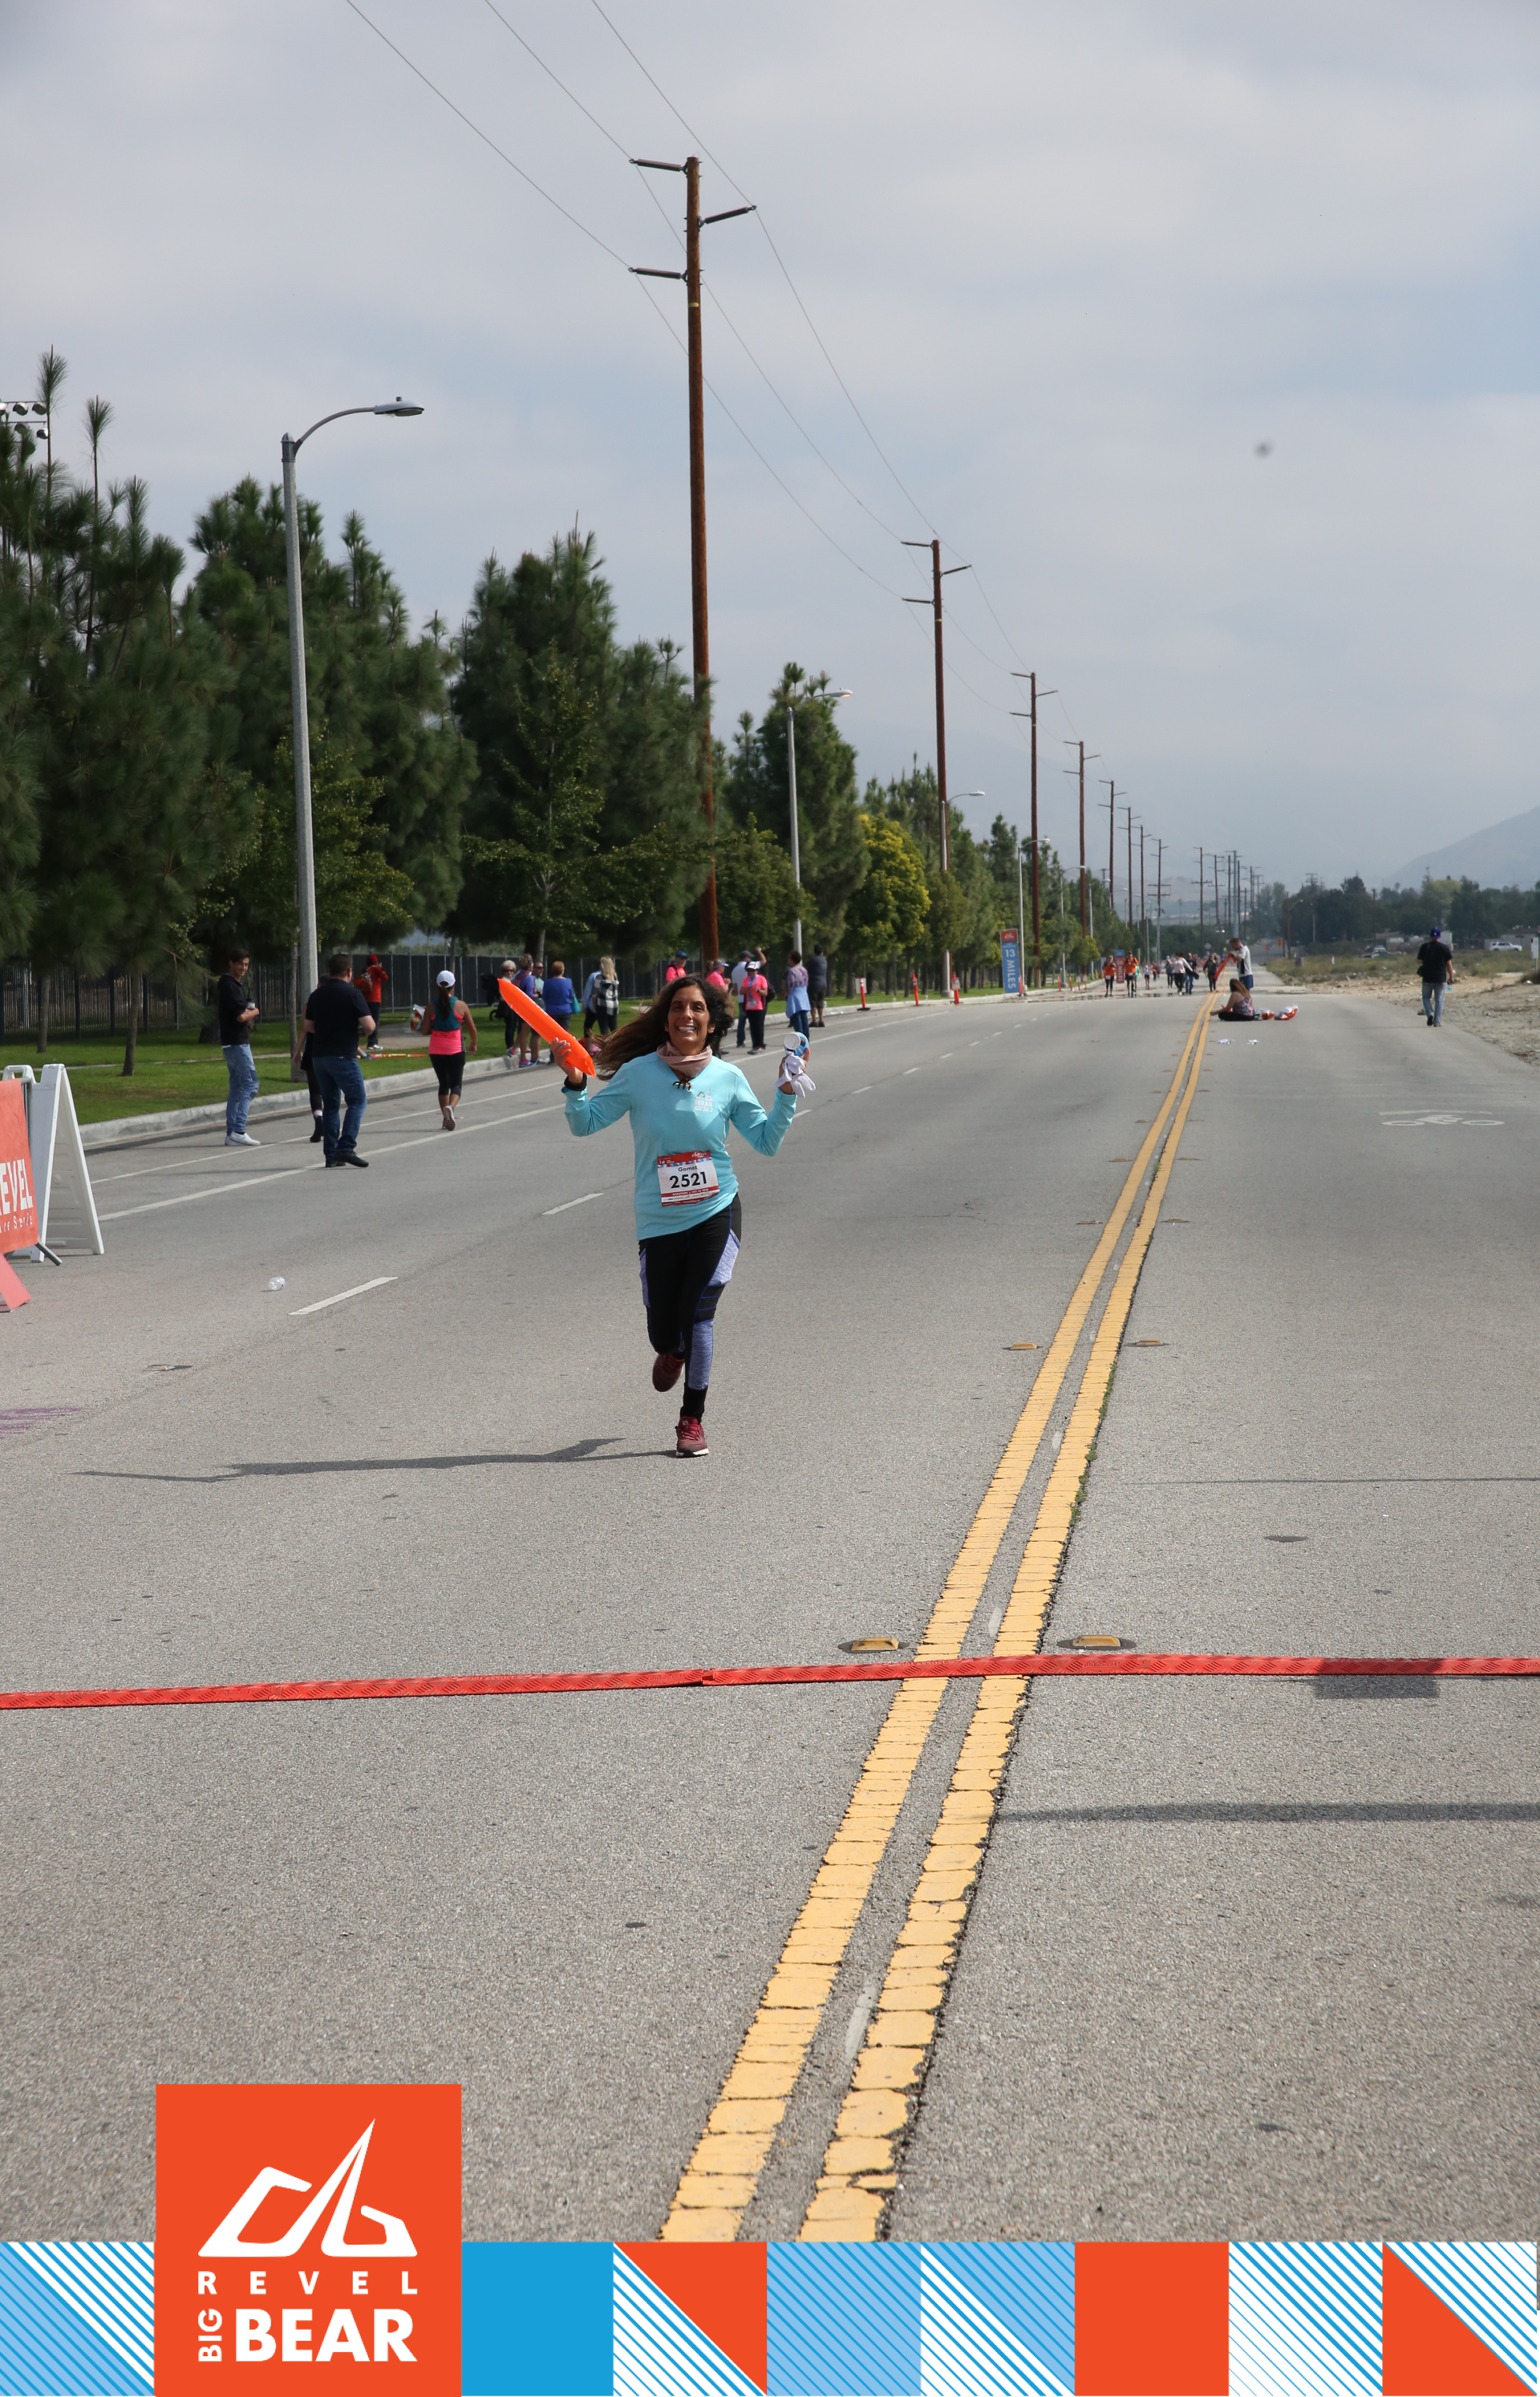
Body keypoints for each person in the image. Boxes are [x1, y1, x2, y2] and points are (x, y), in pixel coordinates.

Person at [562, 973, 803, 1458]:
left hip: (717, 1210)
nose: (686, 1015)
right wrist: (575, 1084)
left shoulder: (728, 1078)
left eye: (697, 1008)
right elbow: (584, 1123)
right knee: (664, 1332)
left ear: (711, 1023)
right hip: (659, 1220)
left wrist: (785, 1092)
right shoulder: (638, 1074)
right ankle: (672, 1352)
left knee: (699, 1315)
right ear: (666, 1020)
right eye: (677, 1007)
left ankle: (692, 1419)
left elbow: (766, 1142)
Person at [296, 951, 375, 1165]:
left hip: (319, 1056)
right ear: (349, 971)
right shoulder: (352, 994)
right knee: (357, 1100)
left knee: (330, 1104)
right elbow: (369, 1026)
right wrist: (358, 1033)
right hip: (343, 1055)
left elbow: (308, 1026)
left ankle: (331, 1155)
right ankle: (346, 1146)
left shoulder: (316, 995)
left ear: (329, 971)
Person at [217, 947, 261, 1147]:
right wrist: (255, 1012)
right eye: (240, 964)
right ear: (231, 963)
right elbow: (241, 1016)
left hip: (232, 1042)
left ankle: (231, 1133)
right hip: (237, 1042)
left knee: (237, 1086)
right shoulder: (230, 986)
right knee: (251, 1083)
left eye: (246, 964)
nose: (243, 968)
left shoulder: (234, 985)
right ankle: (239, 1130)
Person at [426, 967, 477, 1128]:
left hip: (436, 1049)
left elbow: (424, 1031)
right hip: (455, 1048)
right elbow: (472, 1028)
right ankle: (451, 1108)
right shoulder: (461, 1005)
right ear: (453, 986)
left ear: (436, 986)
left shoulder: (431, 1007)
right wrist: (474, 1043)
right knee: (456, 1084)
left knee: (443, 1084)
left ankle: (445, 1118)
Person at [1416, 923, 1454, 1027]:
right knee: (1439, 1000)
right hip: (1441, 978)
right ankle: (1437, 1022)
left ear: (1430, 936)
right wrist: (1451, 977)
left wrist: (1426, 960)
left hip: (1427, 978)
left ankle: (1430, 1013)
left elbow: (1418, 961)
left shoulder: (1425, 947)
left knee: (1426, 997)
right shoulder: (1444, 948)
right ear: (1439, 936)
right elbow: (1449, 964)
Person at [540, 959, 577, 1065]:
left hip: (551, 1011)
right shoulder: (567, 982)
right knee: (564, 1034)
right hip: (565, 1010)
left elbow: (544, 997)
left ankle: (553, 1057)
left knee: (553, 1035)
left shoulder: (548, 982)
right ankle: (565, 1055)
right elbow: (571, 996)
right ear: (562, 970)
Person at [583, 955, 622, 1046]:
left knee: (604, 1030)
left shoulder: (600, 977)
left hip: (603, 1005)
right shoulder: (615, 977)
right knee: (614, 1029)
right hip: (614, 1005)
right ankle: (617, 1047)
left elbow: (594, 994)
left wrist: (595, 1007)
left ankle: (606, 1048)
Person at [491, 959, 522, 1069]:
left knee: (513, 1026)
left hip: (512, 1005)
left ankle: (513, 1045)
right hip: (506, 1005)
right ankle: (510, 1046)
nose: (509, 972)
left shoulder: (511, 980)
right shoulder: (504, 981)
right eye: (507, 970)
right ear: (503, 971)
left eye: (511, 970)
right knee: (510, 1026)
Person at [355, 951, 387, 1052]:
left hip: (365, 999)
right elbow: (385, 977)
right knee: (375, 1021)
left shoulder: (365, 970)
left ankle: (365, 1041)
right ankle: (372, 1043)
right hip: (375, 999)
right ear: (376, 962)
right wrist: (379, 968)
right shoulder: (376, 969)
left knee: (366, 1020)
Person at [741, 955, 770, 1050]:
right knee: (752, 1026)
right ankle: (755, 1044)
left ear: (757, 971)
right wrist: (747, 989)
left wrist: (758, 991)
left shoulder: (761, 979)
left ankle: (760, 1044)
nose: (751, 973)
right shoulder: (746, 980)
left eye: (753, 971)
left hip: (759, 1005)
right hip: (749, 1006)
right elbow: (741, 992)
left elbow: (765, 993)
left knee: (758, 1026)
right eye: (749, 971)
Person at [784, 949, 812, 1041]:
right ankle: (806, 1037)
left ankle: (800, 1038)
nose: (788, 960)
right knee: (804, 1017)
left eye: (789, 958)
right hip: (803, 993)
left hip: (795, 994)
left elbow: (791, 984)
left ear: (792, 960)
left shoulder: (792, 971)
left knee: (796, 1016)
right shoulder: (804, 970)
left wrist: (787, 992)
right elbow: (806, 982)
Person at [731, 951, 753, 1048]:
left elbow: (735, 988)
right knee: (753, 1021)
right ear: (746, 958)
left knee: (742, 1021)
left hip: (741, 998)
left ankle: (740, 1041)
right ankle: (755, 1041)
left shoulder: (734, 970)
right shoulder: (749, 969)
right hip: (750, 998)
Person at [808, 945, 829, 1028]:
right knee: (820, 1002)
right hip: (823, 983)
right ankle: (821, 1020)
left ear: (815, 952)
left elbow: (805, 968)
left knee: (813, 1002)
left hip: (814, 983)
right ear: (822, 952)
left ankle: (814, 1020)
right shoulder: (824, 961)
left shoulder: (813, 960)